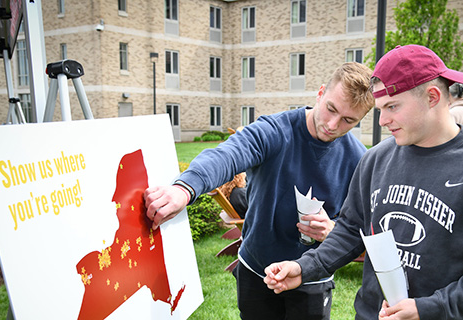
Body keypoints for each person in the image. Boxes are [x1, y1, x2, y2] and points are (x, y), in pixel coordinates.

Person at [144, 62, 375, 320]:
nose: (333, 124)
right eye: (331, 109)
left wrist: (331, 230)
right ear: (320, 93)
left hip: (312, 279)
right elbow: (229, 155)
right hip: (256, 269)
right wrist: (185, 189)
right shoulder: (275, 130)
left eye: (348, 120)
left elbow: (357, 227)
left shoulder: (359, 159)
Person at [264, 44, 463, 320]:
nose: (383, 120)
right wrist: (306, 267)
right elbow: (351, 229)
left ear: (432, 97)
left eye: (392, 107)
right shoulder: (376, 159)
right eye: (380, 108)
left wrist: (428, 309)